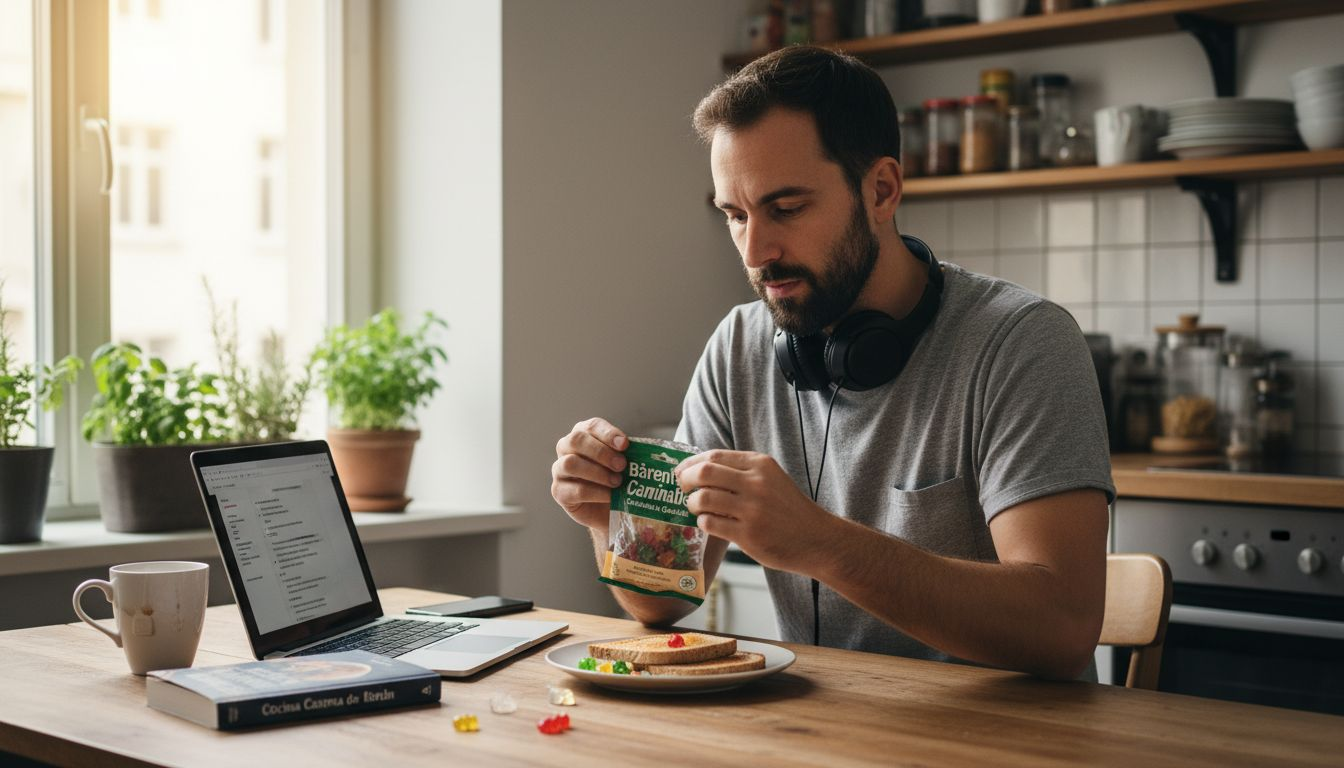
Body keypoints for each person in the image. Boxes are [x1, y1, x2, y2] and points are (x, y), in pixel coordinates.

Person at [550, 46, 1114, 680]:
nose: (756, 252)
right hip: (822, 737)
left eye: (786, 209)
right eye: (735, 216)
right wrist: (611, 520)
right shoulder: (739, 344)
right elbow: (662, 601)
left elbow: (1063, 626)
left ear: (881, 190)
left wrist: (820, 542)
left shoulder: (1022, 343)